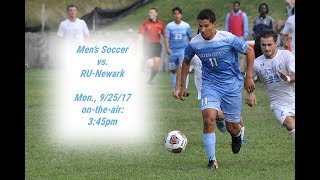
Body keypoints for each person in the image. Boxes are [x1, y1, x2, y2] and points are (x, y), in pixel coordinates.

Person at [177, 9, 255, 170]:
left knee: (232, 126)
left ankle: (236, 135)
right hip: (210, 85)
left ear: (214, 24)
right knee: (208, 118)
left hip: (231, 85)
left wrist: (248, 77)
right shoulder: (194, 43)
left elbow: (250, 52)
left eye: (206, 26)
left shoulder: (227, 38)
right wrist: (183, 86)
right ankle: (212, 161)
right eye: (200, 26)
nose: (203, 30)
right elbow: (185, 62)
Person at [245, 29, 295, 143]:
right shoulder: (256, 63)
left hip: (293, 98)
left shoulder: (286, 56)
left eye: (269, 45)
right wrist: (250, 93)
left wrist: (287, 78)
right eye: (263, 45)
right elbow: (248, 79)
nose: (266, 48)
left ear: (276, 43)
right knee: (291, 125)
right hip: (278, 104)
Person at [164, 6, 192, 96]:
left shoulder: (186, 26)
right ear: (173, 15)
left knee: (184, 69)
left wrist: (193, 48)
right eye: (175, 14)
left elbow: (190, 37)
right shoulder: (169, 26)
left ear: (181, 15)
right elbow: (167, 38)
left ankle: (184, 90)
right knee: (173, 70)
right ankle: (175, 90)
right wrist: (167, 48)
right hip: (172, 52)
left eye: (178, 14)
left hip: (183, 51)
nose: (176, 15)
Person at [138, 7, 166, 84]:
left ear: (156, 14)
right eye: (150, 12)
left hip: (157, 45)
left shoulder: (161, 24)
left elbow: (165, 35)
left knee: (156, 66)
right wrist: (140, 44)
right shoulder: (145, 23)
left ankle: (150, 80)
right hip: (148, 45)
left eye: (152, 12)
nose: (151, 14)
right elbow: (140, 34)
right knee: (150, 64)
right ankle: (140, 69)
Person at [225, 1, 249, 75]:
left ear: (239, 6)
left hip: (240, 37)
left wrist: (245, 36)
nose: (235, 7)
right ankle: (232, 69)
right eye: (234, 6)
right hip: (231, 37)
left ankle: (241, 70)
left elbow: (245, 25)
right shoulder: (229, 15)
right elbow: (227, 26)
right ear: (233, 6)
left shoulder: (243, 15)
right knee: (231, 54)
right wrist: (226, 36)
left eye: (237, 6)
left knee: (241, 55)